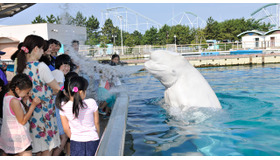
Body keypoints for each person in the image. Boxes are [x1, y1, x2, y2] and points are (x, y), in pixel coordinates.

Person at [16, 34, 61, 156]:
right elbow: (57, 87)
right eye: (42, 49)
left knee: (36, 147)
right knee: (47, 147)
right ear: (36, 48)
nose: (43, 52)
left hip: (29, 111)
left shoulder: (20, 66)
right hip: (44, 111)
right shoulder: (41, 67)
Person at [0, 74, 41, 156]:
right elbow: (22, 121)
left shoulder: (7, 96)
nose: (27, 94)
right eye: (26, 92)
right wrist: (33, 105)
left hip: (9, 138)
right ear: (17, 89)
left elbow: (16, 114)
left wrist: (24, 100)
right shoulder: (14, 101)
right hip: (19, 139)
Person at [59, 76, 100, 156]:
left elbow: (66, 128)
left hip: (75, 141)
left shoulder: (63, 106)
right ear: (81, 92)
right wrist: (97, 135)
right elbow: (97, 123)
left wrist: (74, 137)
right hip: (92, 139)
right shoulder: (91, 102)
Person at [51, 54, 71, 156]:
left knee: (59, 136)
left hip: (54, 107)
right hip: (56, 107)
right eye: (64, 65)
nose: (67, 68)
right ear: (59, 64)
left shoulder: (56, 73)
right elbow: (57, 90)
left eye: (68, 65)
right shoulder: (58, 73)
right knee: (64, 136)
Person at [55, 71, 78, 156]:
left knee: (65, 139)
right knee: (65, 138)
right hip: (64, 125)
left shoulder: (62, 92)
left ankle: (66, 153)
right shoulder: (67, 98)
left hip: (60, 122)